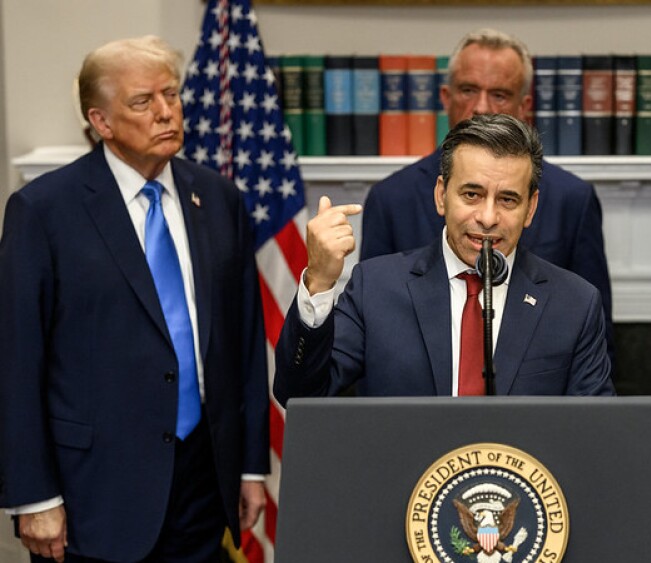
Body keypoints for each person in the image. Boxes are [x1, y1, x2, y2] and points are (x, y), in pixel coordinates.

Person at [0, 36, 270, 562]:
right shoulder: (44, 210)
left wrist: (251, 466)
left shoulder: (218, 198)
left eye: (171, 94)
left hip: (202, 483)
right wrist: (33, 495)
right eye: (143, 102)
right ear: (100, 121)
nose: (166, 112)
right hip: (92, 494)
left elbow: (245, 345)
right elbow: (16, 362)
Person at [273, 113, 614, 403]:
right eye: (472, 194)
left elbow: (595, 431)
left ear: (530, 208)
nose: (488, 217)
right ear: (441, 196)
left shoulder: (575, 304)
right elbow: (298, 394)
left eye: (508, 200)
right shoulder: (375, 288)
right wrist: (319, 280)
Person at [360, 28, 615, 368]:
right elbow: (371, 339)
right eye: (468, 90)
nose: (481, 107)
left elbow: (595, 340)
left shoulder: (572, 199)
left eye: (499, 94)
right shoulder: (391, 198)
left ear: (524, 106)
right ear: (446, 97)